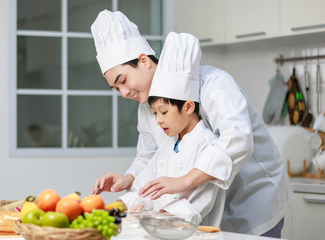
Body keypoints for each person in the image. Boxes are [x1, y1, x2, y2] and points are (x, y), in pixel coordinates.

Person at [90, 10, 292, 237]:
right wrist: (128, 179)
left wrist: (184, 181)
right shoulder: (146, 108)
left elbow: (238, 139)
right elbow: (149, 158)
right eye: (116, 89)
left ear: (143, 60)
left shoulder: (212, 84)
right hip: (198, 216)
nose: (124, 93)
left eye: (123, 81)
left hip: (253, 200)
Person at [118, 32, 225, 227]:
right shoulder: (169, 144)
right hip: (160, 230)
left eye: (164, 112)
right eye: (154, 114)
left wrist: (156, 218)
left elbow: (196, 206)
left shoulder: (208, 145)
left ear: (189, 107)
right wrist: (120, 205)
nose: (158, 121)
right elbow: (144, 188)